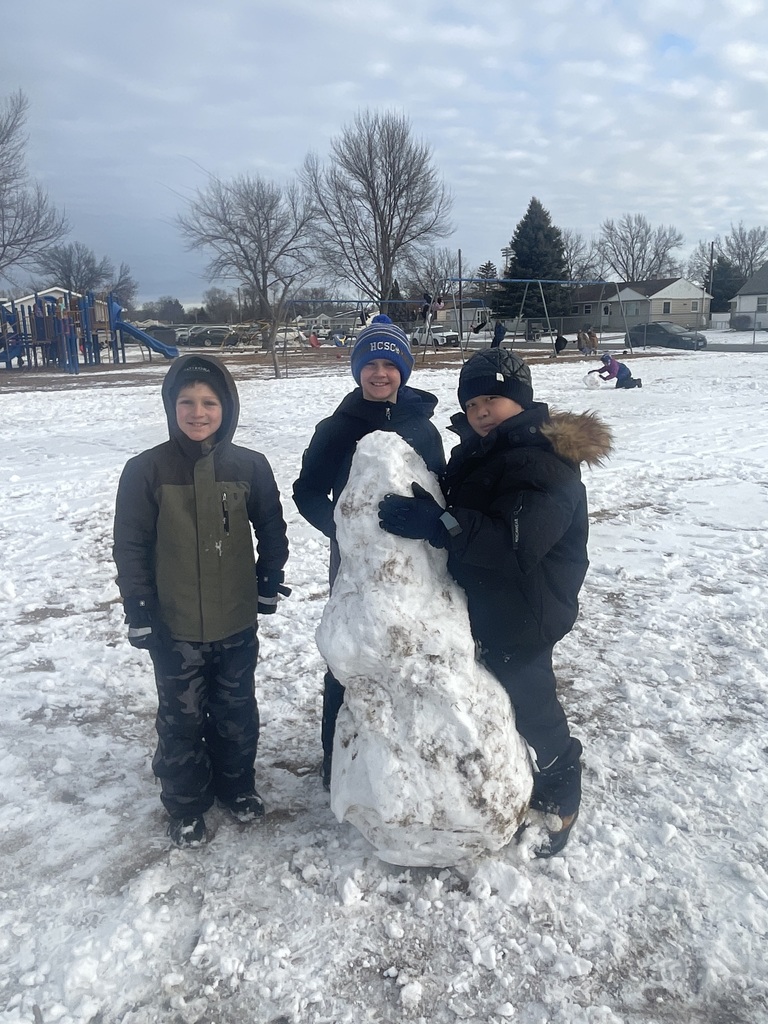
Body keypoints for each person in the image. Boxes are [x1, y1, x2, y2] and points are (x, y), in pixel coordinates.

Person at [377, 347, 613, 856]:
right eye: (474, 401)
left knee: (530, 701)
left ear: (520, 400)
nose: (482, 410)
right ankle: (506, 774)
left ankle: (561, 787)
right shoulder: (478, 450)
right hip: (489, 600)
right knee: (492, 698)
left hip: (527, 609)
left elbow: (514, 544)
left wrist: (440, 525)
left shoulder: (545, 463)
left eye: (493, 398)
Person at [113, 354, 289, 848]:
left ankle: (237, 786)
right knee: (182, 715)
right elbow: (129, 544)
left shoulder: (250, 465)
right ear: (171, 407)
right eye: (186, 402)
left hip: (235, 619)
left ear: (226, 407)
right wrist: (140, 608)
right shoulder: (145, 470)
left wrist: (270, 576)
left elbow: (271, 526)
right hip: (176, 625)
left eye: (209, 402)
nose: (197, 412)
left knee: (236, 710)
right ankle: (187, 802)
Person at [293, 315, 446, 789]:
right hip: (355, 566)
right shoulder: (336, 428)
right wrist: (343, 534)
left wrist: (433, 527)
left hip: (414, 565)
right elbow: (307, 492)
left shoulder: (423, 430)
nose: (380, 373)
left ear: (404, 369)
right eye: (370, 364)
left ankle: (402, 758)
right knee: (350, 654)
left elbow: (442, 491)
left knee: (409, 650)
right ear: (357, 370)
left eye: (390, 363)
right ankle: (335, 762)